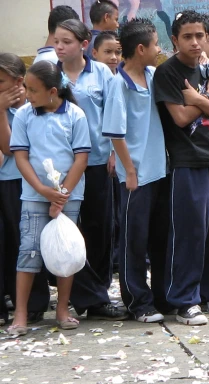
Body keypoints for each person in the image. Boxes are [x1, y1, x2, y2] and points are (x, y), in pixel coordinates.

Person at [153, 10, 209, 325]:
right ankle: (184, 301)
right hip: (188, 163)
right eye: (187, 36)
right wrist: (207, 96)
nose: (196, 42)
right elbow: (180, 118)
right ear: (174, 40)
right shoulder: (168, 74)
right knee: (190, 233)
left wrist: (197, 98)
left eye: (200, 35)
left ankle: (208, 294)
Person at [8, 62, 90, 335]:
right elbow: (20, 156)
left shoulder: (75, 115)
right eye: (26, 89)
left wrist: (63, 193)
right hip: (34, 195)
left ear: (53, 91)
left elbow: (81, 158)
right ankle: (20, 314)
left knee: (64, 250)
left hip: (69, 195)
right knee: (28, 251)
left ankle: (62, 308)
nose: (27, 95)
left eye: (33, 90)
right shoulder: (24, 115)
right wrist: (43, 190)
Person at [56, 18, 127, 320]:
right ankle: (78, 295)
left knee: (100, 228)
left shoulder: (102, 74)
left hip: (98, 160)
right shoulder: (51, 74)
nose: (59, 47)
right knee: (69, 229)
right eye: (57, 41)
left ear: (84, 45)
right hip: (62, 165)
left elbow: (113, 115)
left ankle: (97, 296)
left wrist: (114, 152)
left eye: (67, 42)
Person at [102, 18, 169, 323]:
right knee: (134, 240)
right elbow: (115, 133)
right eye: (155, 44)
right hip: (137, 176)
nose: (159, 49)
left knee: (159, 237)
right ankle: (137, 301)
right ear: (141, 49)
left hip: (159, 171)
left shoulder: (153, 75)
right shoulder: (119, 84)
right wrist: (129, 170)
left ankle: (160, 296)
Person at [0, 55, 50, 328]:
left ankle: (35, 303)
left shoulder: (30, 110)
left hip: (26, 182)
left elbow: (9, 148)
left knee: (28, 242)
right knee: (9, 243)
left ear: (19, 83)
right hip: (5, 181)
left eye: (1, 82)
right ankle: (14, 297)